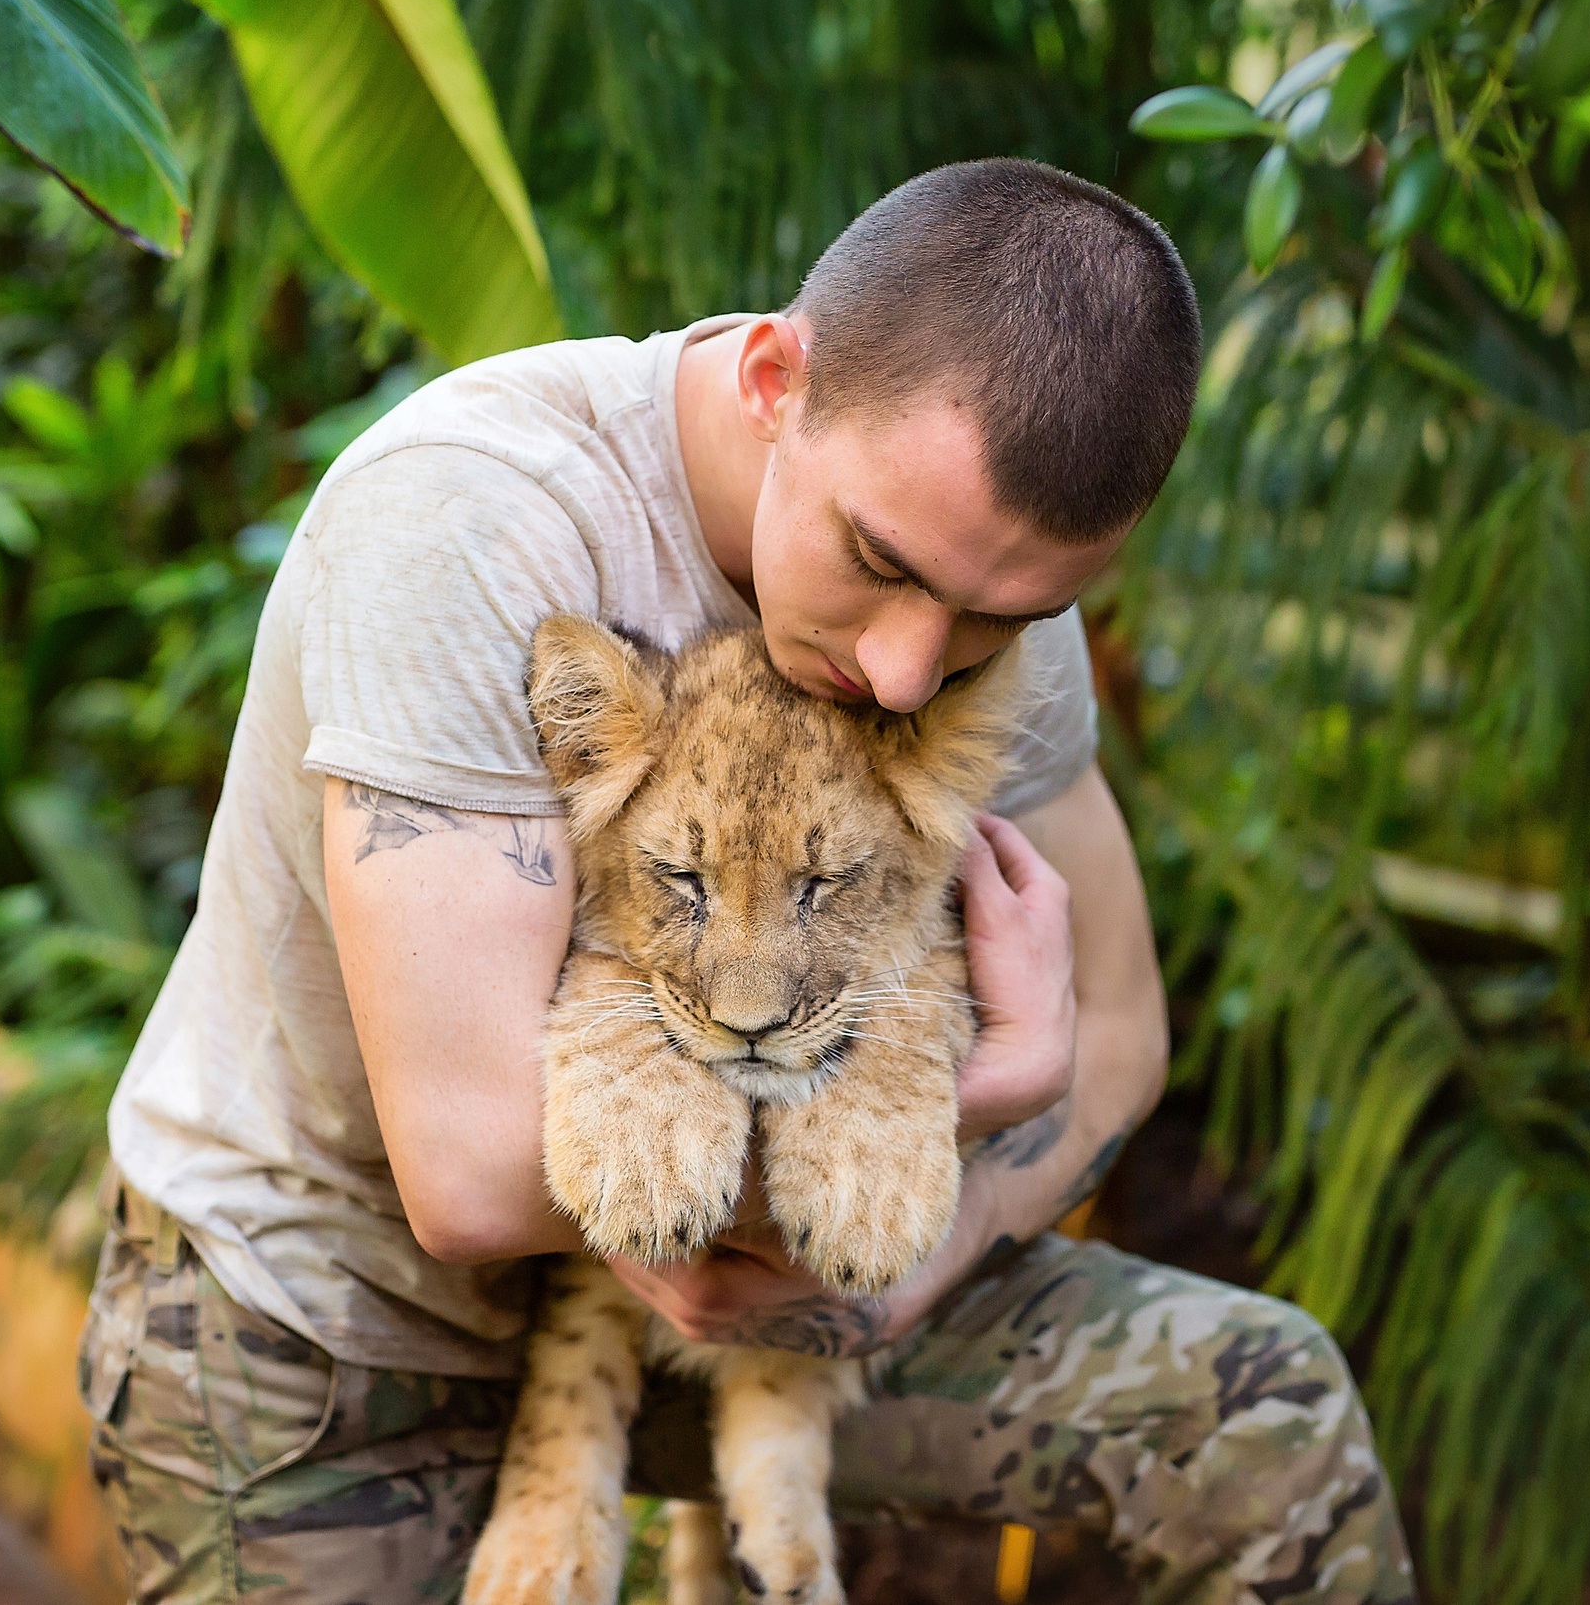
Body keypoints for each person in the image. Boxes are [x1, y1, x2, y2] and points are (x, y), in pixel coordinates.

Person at [78, 158, 1416, 1605]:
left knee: (1264, 1410)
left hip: (750, 1289)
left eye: (997, 617)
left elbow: (1121, 1033)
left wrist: (890, 1271)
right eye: (879, 561)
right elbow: (470, 1173)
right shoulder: (469, 520)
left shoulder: (982, 591)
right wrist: (963, 1091)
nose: (913, 667)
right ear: (775, 376)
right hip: (329, 1321)